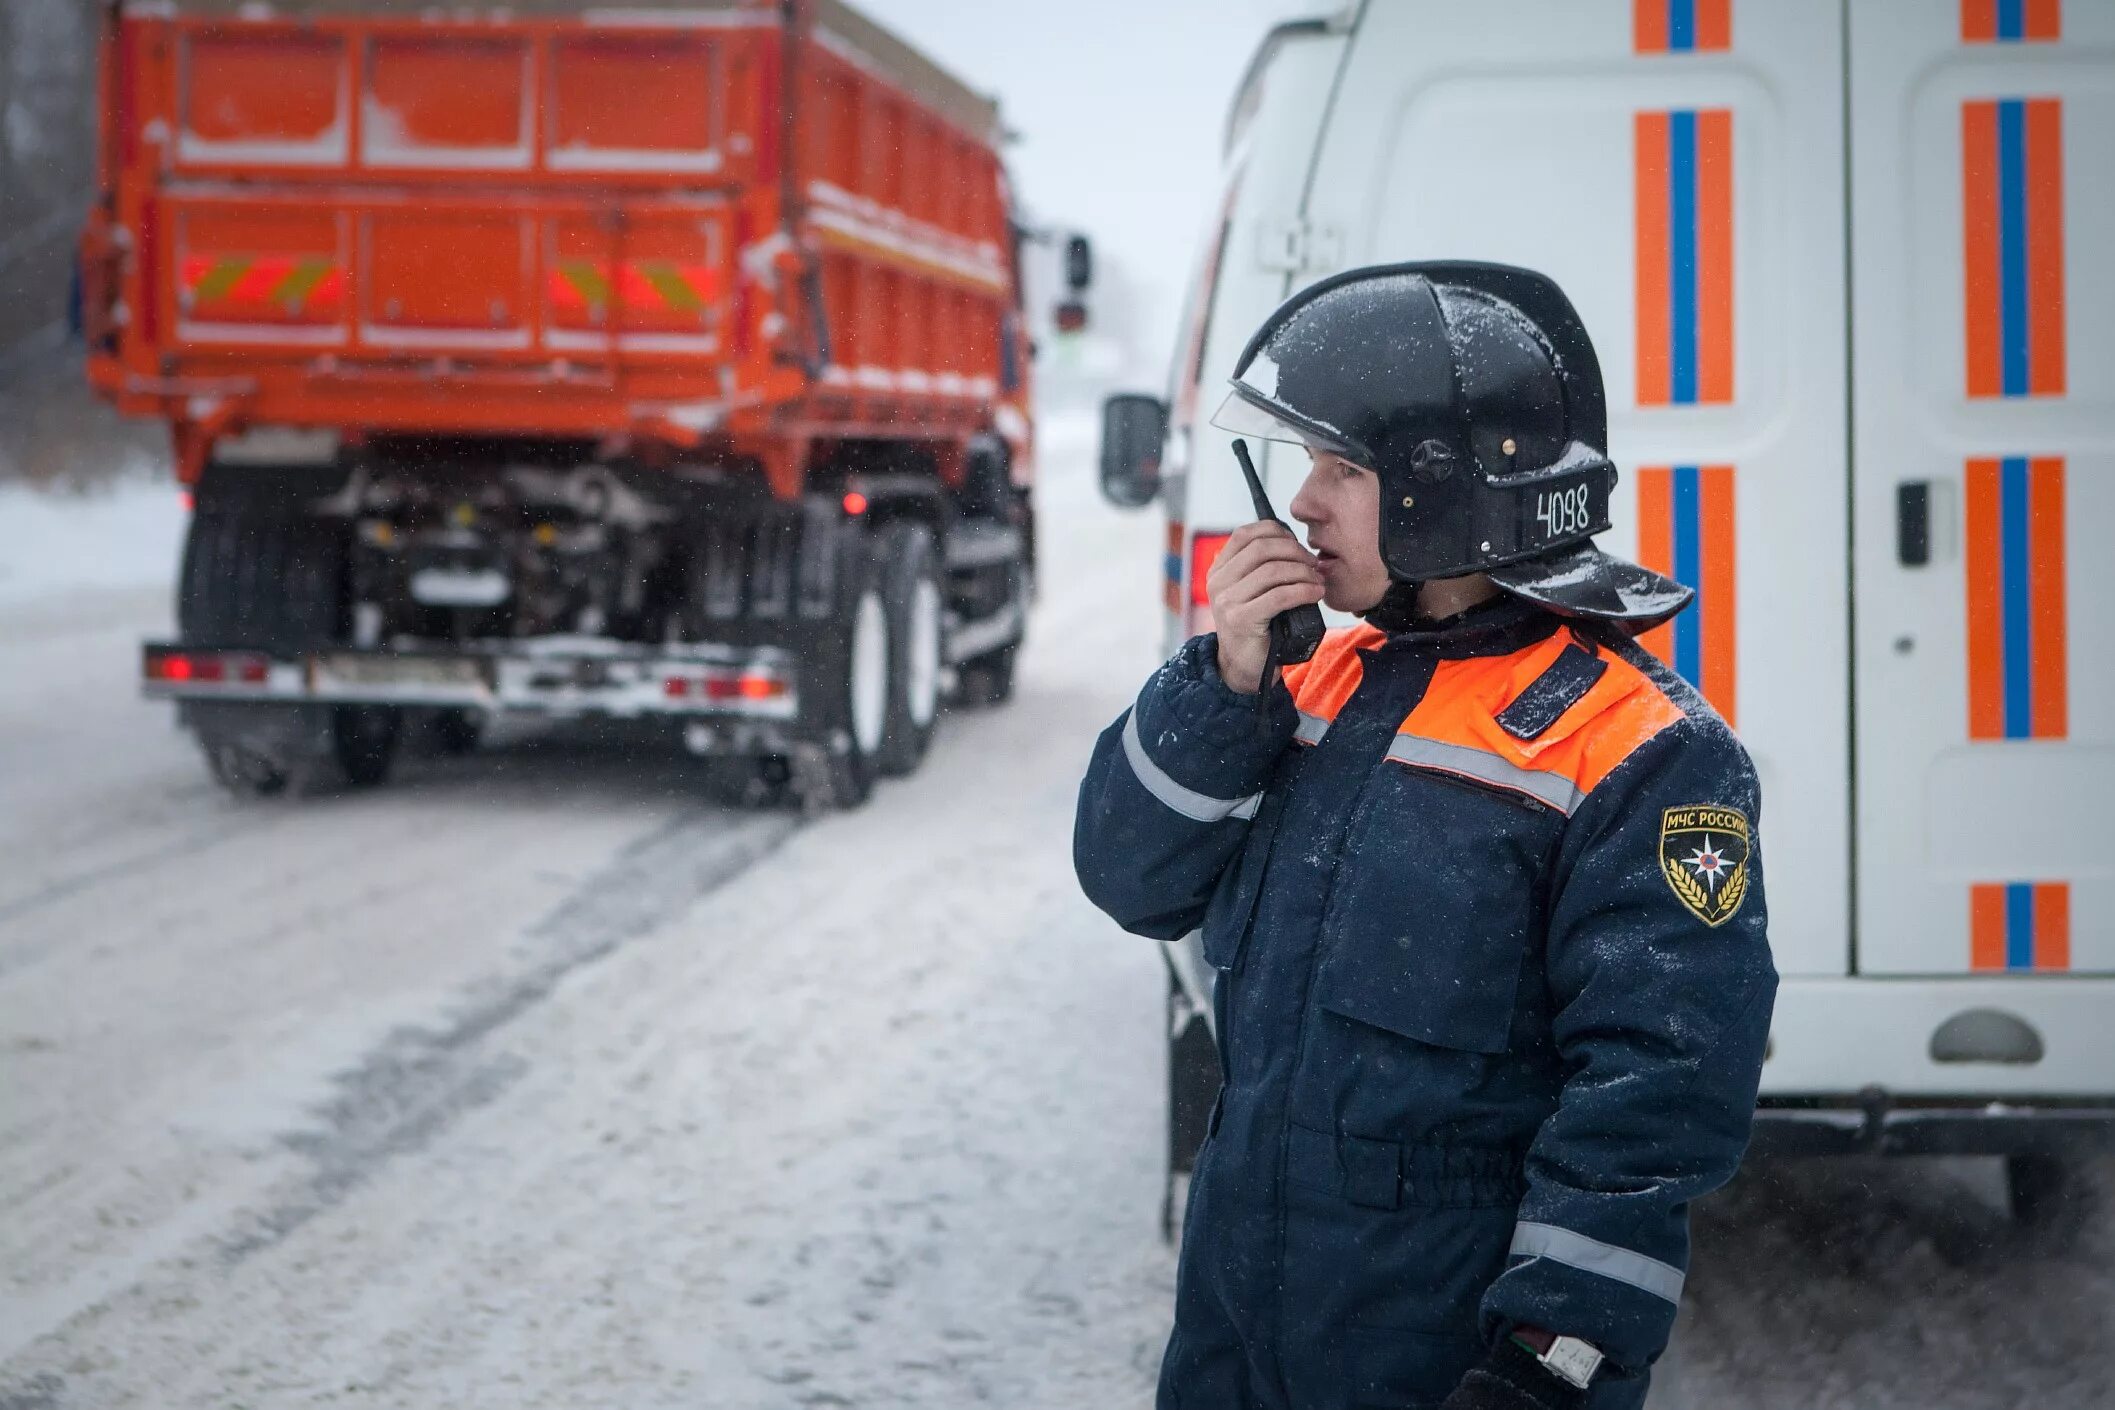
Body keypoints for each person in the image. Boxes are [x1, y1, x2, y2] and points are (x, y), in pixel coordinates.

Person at [1074, 262, 1776, 1410]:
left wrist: (1548, 1364)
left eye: (1342, 469)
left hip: (1431, 1355)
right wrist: (1227, 677)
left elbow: (1657, 1103)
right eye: (1308, 465)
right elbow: (1129, 879)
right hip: (1235, 1331)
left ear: (1443, 495)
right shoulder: (1307, 679)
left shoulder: (1637, 747)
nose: (1302, 502)